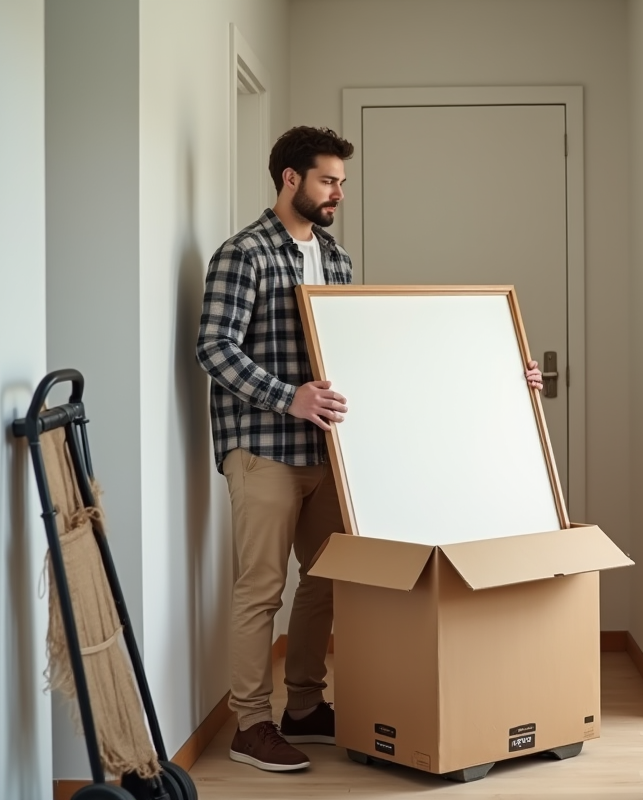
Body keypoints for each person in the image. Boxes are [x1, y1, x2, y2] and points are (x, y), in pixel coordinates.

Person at [196, 125, 544, 773]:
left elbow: (370, 353)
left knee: (328, 582)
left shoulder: (339, 260)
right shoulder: (243, 254)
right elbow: (214, 348)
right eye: (328, 181)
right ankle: (250, 723)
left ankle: (304, 706)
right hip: (263, 447)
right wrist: (287, 396)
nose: (338, 194)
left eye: (342, 183)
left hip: (334, 456)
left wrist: (501, 369)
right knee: (261, 589)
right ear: (290, 179)